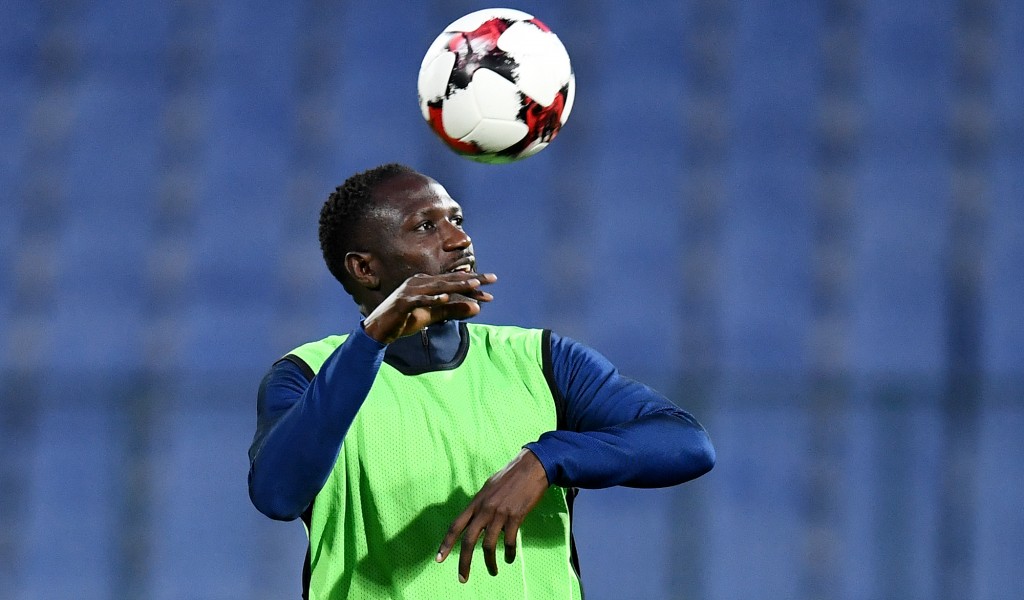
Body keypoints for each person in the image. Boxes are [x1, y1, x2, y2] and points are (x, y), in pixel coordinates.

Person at [247, 163, 715, 599]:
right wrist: (371, 341)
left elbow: (686, 443)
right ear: (365, 268)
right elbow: (278, 494)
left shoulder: (541, 359)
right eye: (426, 227)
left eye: (456, 218)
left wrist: (547, 459)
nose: (459, 239)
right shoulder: (307, 375)